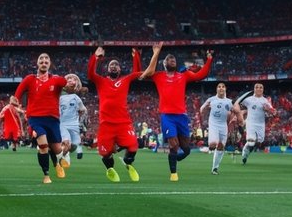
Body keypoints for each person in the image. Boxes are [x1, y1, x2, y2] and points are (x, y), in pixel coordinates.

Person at [141, 45, 212, 182]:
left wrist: (209, 59)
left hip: (182, 116)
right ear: (164, 64)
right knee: (174, 145)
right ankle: (173, 173)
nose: (172, 59)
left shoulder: (183, 75)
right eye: (169, 59)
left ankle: (174, 159)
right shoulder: (158, 76)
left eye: (173, 59)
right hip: (167, 116)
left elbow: (201, 75)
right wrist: (156, 53)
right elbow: (147, 72)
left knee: (186, 149)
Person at [88, 45, 158, 182]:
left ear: (120, 69)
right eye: (111, 65)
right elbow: (90, 74)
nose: (114, 66)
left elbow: (139, 73)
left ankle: (128, 162)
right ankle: (110, 169)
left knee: (133, 146)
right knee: (105, 153)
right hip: (106, 124)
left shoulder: (125, 80)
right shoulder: (101, 81)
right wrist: (95, 57)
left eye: (116, 65)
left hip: (123, 123)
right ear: (107, 69)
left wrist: (136, 56)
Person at [13, 53, 68, 184]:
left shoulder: (56, 79)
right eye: (41, 60)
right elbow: (17, 94)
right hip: (35, 118)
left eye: (46, 60)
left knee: (57, 149)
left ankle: (57, 163)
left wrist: (74, 85)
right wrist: (14, 100)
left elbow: (68, 84)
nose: (43, 62)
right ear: (37, 64)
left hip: (53, 119)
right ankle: (46, 175)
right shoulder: (29, 79)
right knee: (43, 145)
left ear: (49, 64)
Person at [198, 82, 238, 175]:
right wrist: (203, 109)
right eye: (219, 87)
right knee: (213, 144)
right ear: (217, 89)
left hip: (223, 126)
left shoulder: (229, 101)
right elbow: (202, 108)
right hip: (213, 124)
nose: (221, 88)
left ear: (225, 89)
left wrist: (234, 118)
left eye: (223, 87)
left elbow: (234, 112)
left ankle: (214, 169)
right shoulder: (211, 100)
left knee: (221, 147)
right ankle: (207, 147)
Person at [238, 82, 275, 164]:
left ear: (263, 89)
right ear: (254, 89)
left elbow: (274, 112)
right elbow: (237, 103)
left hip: (261, 124)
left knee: (259, 142)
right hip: (250, 123)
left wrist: (268, 109)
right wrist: (239, 114)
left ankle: (247, 153)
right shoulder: (249, 99)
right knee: (251, 141)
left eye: (261, 87)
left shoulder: (266, 101)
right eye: (257, 87)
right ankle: (244, 153)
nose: (259, 89)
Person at [57, 74, 87, 169]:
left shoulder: (75, 97)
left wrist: (82, 121)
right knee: (66, 143)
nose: (71, 80)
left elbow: (83, 110)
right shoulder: (58, 95)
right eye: (69, 79)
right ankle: (59, 159)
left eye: (74, 79)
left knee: (73, 146)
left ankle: (64, 154)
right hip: (61, 124)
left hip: (73, 125)